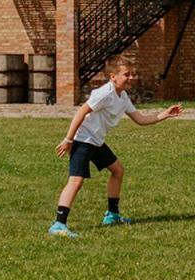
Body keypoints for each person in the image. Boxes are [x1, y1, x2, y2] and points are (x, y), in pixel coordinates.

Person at [47, 56, 183, 238]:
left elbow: (140, 120)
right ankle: (58, 225)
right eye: (127, 74)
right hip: (83, 140)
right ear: (113, 76)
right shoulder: (104, 93)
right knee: (76, 181)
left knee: (117, 171)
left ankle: (112, 215)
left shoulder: (123, 97)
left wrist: (165, 114)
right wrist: (69, 139)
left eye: (132, 74)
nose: (131, 78)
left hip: (96, 141)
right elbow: (81, 112)